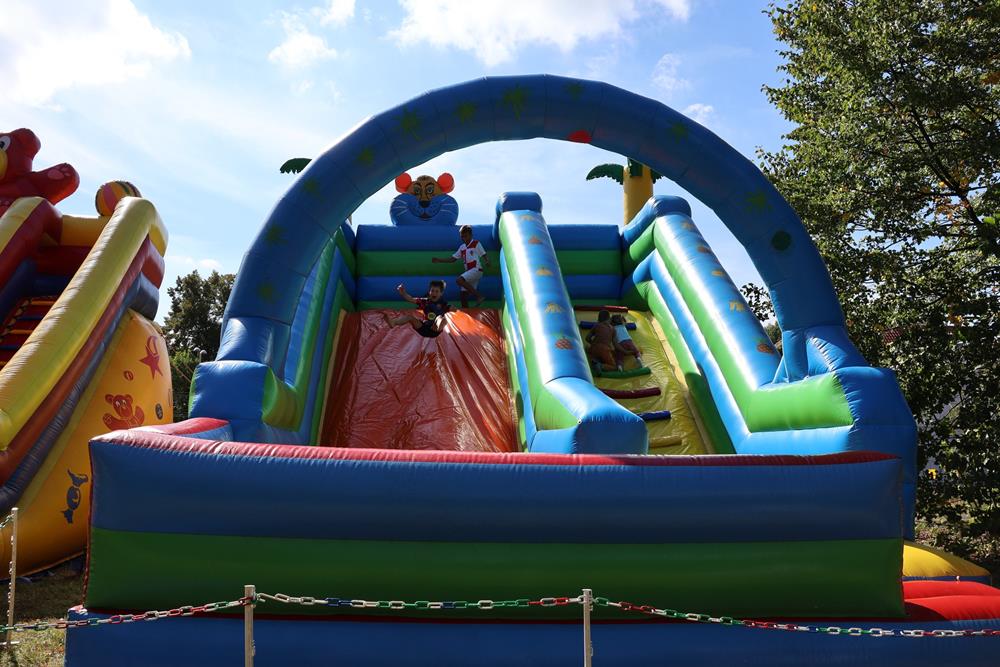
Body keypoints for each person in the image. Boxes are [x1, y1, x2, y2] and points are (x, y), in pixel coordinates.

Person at [432, 224, 488, 307]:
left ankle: (479, 296)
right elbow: (453, 259)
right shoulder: (462, 247)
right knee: (463, 294)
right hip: (469, 273)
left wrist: (487, 260)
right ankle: (466, 312)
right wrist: (439, 260)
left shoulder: (476, 243)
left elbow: (483, 253)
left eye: (465, 236)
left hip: (476, 270)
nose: (464, 238)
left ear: (471, 235)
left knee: (459, 280)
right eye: (462, 237)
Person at [386, 280, 450, 338]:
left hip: (435, 329)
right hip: (423, 328)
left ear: (441, 293)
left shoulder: (443, 303)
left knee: (441, 318)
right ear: (429, 292)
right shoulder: (425, 301)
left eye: (437, 291)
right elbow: (411, 299)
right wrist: (403, 293)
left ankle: (440, 327)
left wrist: (449, 311)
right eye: (432, 291)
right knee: (409, 317)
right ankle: (394, 322)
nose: (434, 293)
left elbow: (450, 309)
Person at [586, 310, 619, 374]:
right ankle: (601, 366)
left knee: (590, 350)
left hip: (594, 348)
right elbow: (616, 345)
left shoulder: (596, 325)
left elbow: (587, 338)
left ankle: (595, 361)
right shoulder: (613, 329)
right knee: (614, 366)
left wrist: (593, 344)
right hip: (605, 350)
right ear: (609, 319)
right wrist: (624, 351)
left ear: (599, 318)